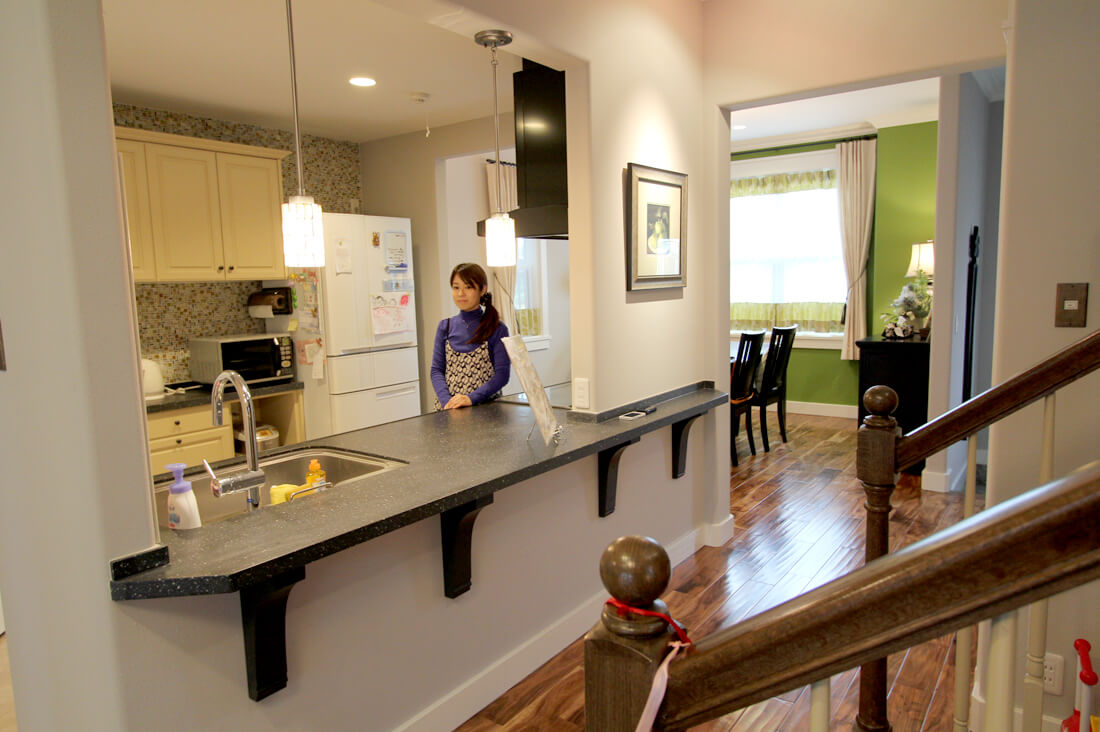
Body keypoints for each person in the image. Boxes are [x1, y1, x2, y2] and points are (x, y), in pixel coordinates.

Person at [430, 263, 511, 410]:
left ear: (482, 290)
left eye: (468, 287)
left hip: (486, 409)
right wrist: (447, 402)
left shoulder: (497, 329)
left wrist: (470, 399)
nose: (461, 293)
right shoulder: (445, 327)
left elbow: (502, 375)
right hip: (448, 409)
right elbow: (436, 370)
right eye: (456, 287)